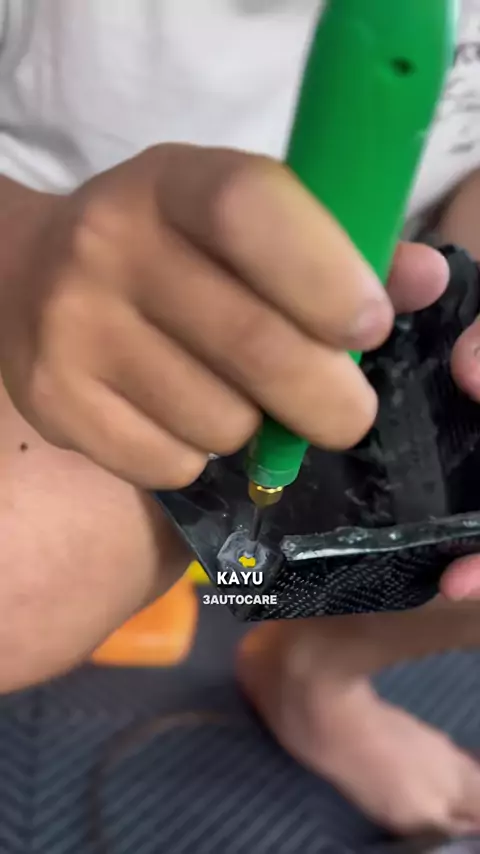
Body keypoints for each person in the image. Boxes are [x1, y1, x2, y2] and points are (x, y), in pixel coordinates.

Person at [1, 0, 480, 836]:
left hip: (397, 294)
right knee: (19, 585)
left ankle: (311, 672)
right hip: (72, 288)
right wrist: (22, 250)